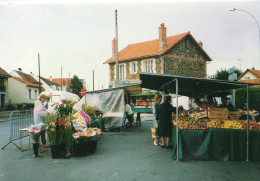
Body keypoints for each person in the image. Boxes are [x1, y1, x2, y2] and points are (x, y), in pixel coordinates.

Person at [33, 93, 48, 158]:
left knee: (40, 133)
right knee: (37, 135)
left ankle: (38, 149)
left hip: (39, 121)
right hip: (39, 121)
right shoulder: (39, 103)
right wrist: (47, 113)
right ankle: (36, 152)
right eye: (44, 98)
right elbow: (40, 111)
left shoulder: (39, 103)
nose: (45, 100)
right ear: (41, 98)